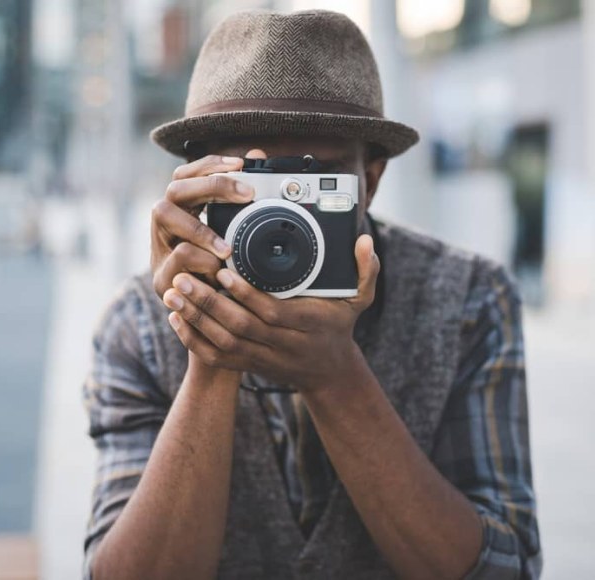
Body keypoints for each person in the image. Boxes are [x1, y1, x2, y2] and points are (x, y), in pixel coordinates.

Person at [82, 9, 542, 580]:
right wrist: (210, 350)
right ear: (198, 183)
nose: (283, 218)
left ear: (368, 183)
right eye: (254, 181)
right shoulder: (137, 323)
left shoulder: (470, 299)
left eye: (309, 184)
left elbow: (505, 570)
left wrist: (336, 377)